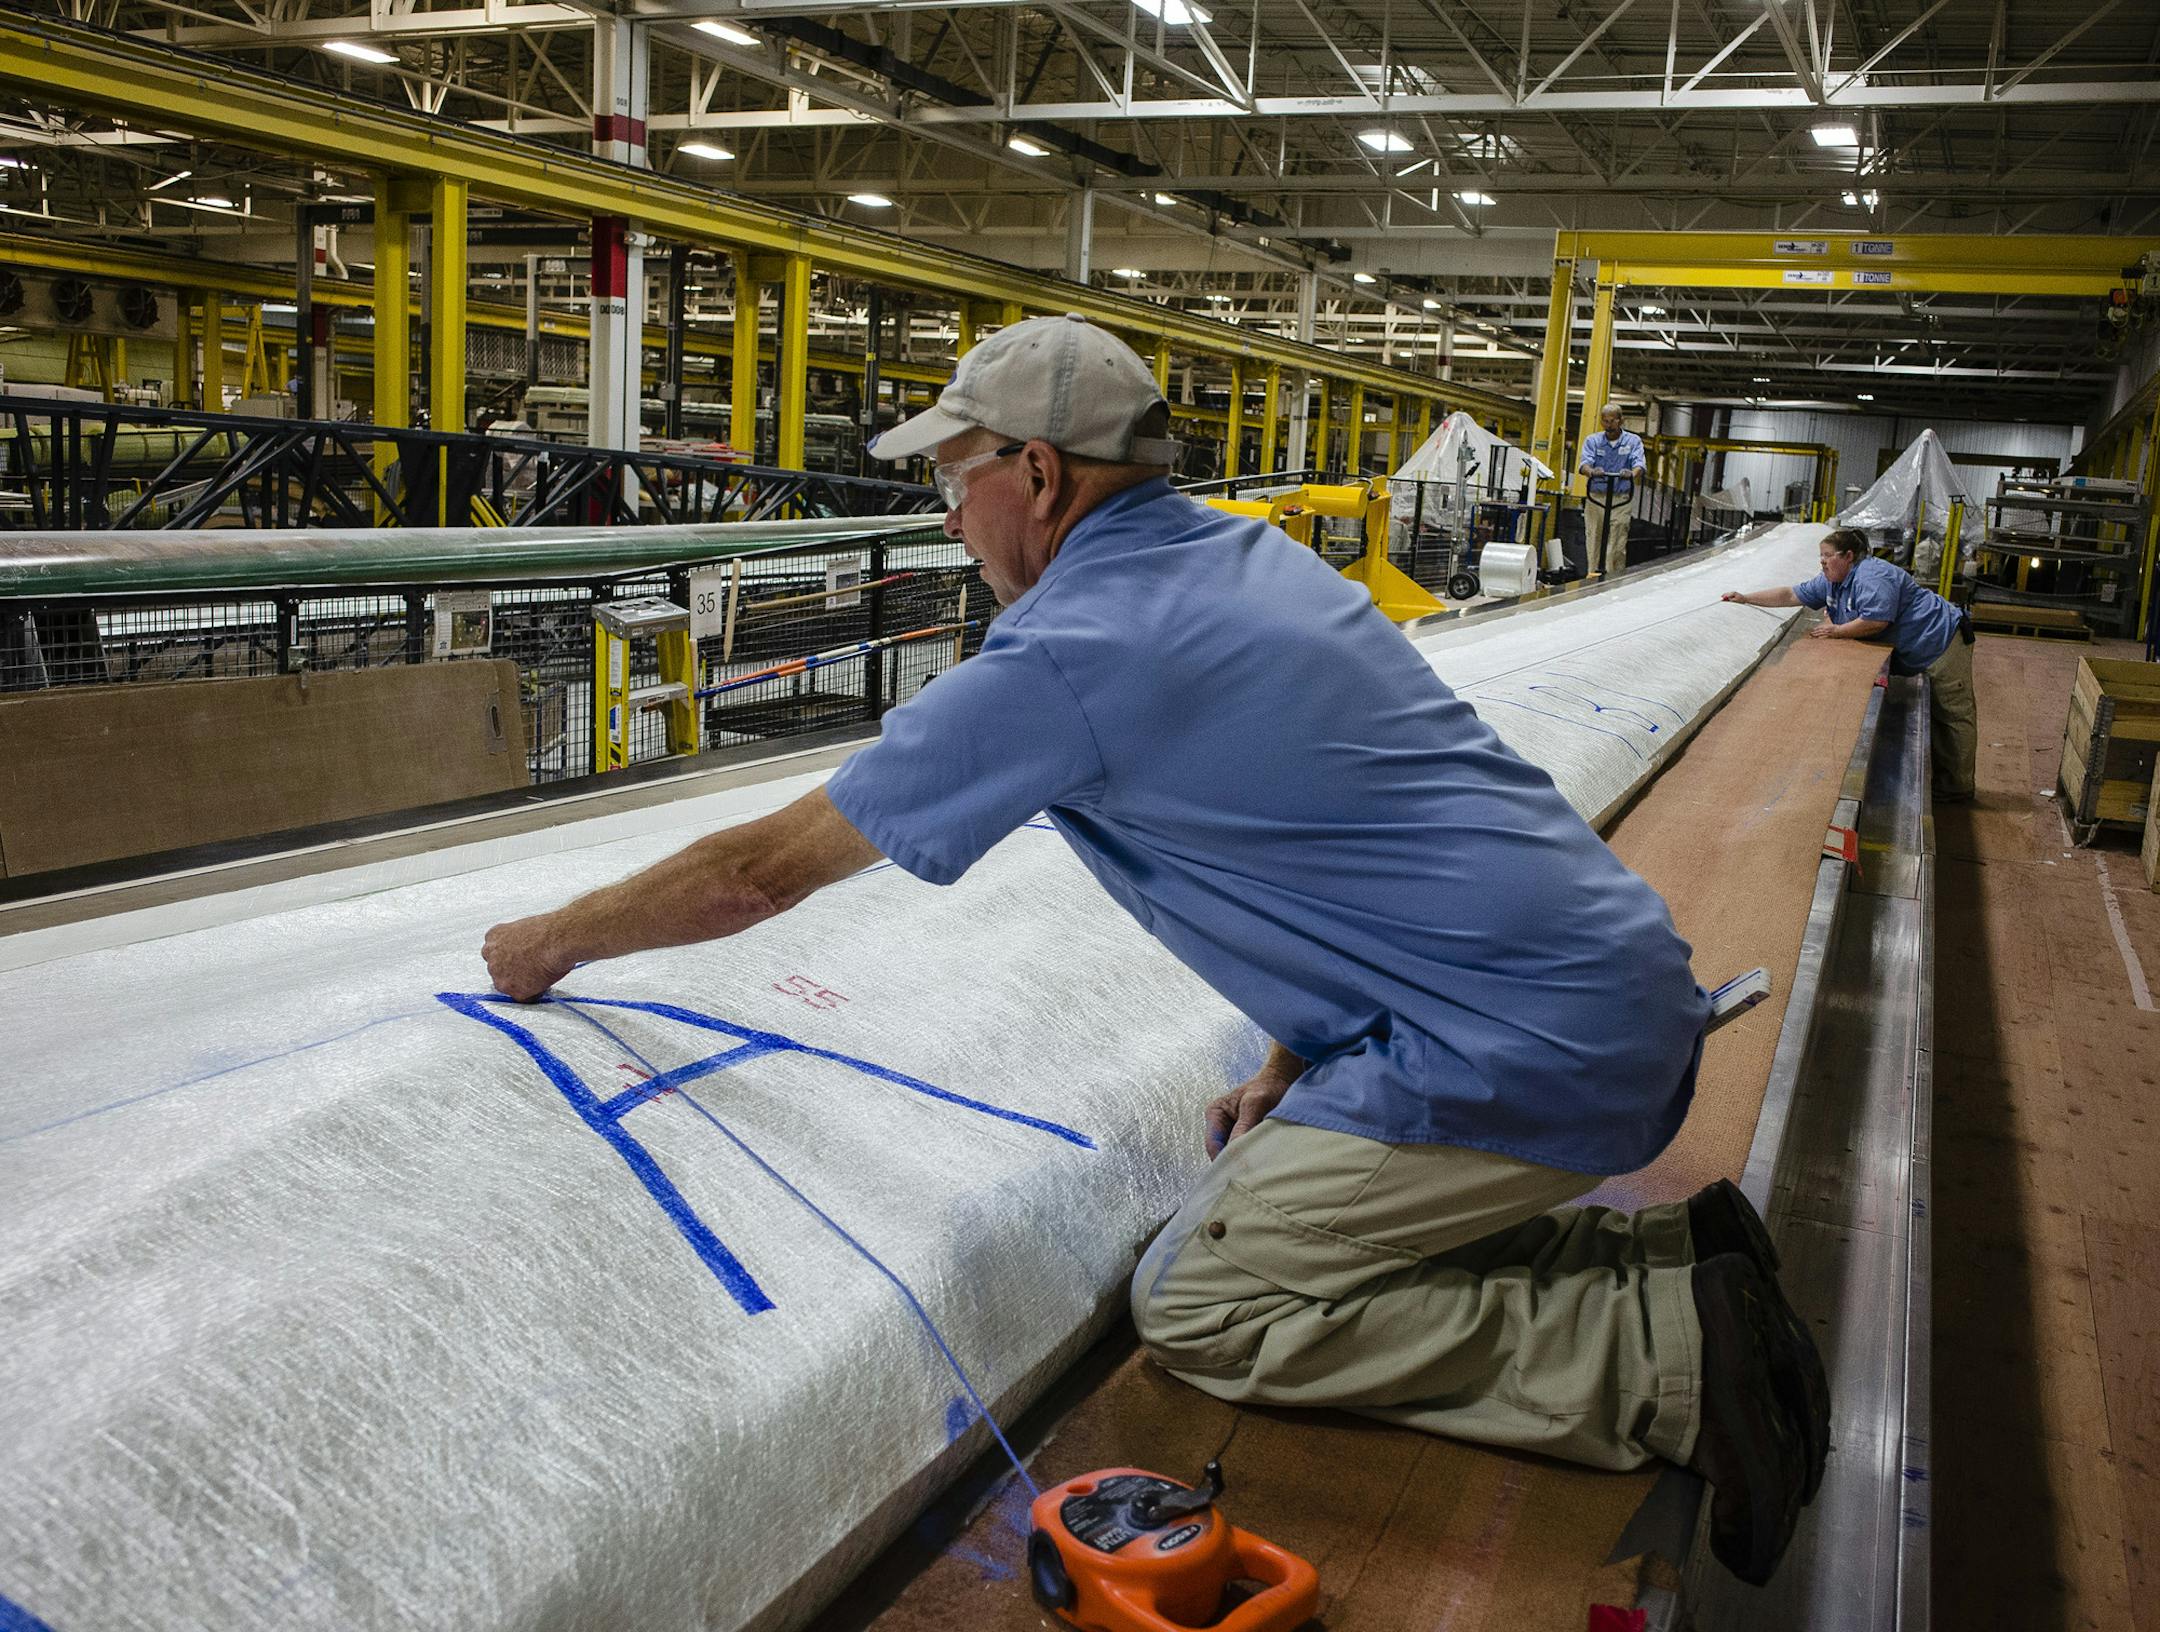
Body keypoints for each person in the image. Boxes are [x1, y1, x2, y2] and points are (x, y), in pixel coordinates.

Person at [481, 313, 1829, 1586]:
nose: (946, 517)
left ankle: (1668, 1361)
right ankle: (1658, 1263)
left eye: (956, 479)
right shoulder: (1252, 562)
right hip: (1610, 994)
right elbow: (1343, 837)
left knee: (1207, 1298)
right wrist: (1297, 1054)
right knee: (1290, 1208)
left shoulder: (1074, 649)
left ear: (1040, 473)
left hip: (1535, 1054)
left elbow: (756, 873)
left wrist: (546, 942)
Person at [1724, 526, 1977, 801]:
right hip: (1915, 646)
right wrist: (1746, 598)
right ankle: (1943, 780)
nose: (1822, 562)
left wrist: (1837, 631)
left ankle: (1957, 789)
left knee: (1951, 714)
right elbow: (1790, 595)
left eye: (1827, 556)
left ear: (1848, 556)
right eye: (1820, 556)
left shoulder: (1872, 576)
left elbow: (1877, 620)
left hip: (1939, 640)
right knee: (1941, 716)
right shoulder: (1831, 580)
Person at [1577, 403, 1647, 577]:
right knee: (1593, 537)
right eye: (1605, 421)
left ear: (1620, 420)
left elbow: (1639, 464)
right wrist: (1592, 471)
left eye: (1612, 421)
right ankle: (1592, 574)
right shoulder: (1592, 440)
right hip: (1596, 497)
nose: (1608, 425)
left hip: (1621, 497)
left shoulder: (1633, 441)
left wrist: (1632, 473)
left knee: (1617, 540)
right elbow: (1584, 464)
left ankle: (1614, 577)